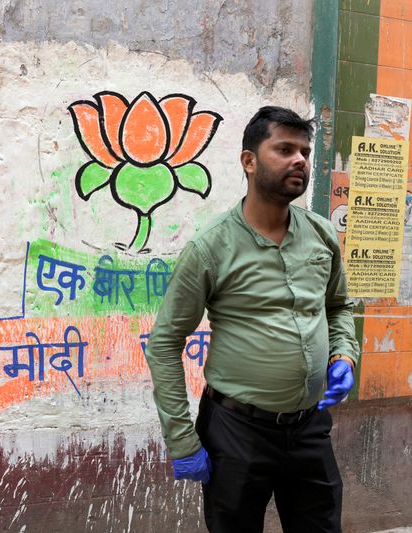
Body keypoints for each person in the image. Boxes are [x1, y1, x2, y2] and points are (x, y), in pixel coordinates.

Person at [145, 106, 359, 533]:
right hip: (237, 432)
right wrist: (181, 439)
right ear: (249, 160)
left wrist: (344, 355)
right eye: (284, 149)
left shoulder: (321, 235)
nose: (300, 159)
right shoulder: (211, 248)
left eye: (304, 150)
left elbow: (337, 307)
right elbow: (165, 343)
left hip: (309, 427)